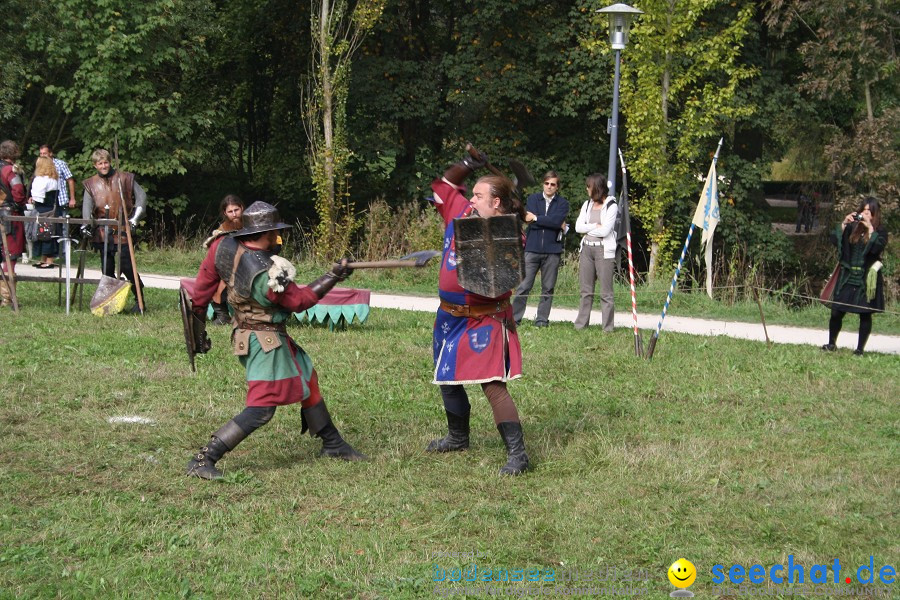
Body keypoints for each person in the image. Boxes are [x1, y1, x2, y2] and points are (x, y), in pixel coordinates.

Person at [185, 201, 365, 480]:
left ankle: (333, 444)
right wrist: (333, 275)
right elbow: (300, 301)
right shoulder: (268, 272)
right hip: (263, 341)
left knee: (307, 379)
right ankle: (203, 458)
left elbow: (202, 288)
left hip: (257, 333)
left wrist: (198, 321)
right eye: (275, 233)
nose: (278, 239)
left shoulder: (222, 246)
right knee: (261, 408)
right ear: (267, 233)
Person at [426, 151, 530, 475]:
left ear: (496, 203)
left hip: (484, 316)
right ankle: (458, 437)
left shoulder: (508, 235)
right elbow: (444, 185)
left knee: (492, 384)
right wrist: (469, 165)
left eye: (479, 195)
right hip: (449, 317)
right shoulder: (461, 211)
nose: (471, 198)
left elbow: (498, 279)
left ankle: (518, 455)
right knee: (447, 376)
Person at [81, 148, 147, 313]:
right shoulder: (90, 184)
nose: (103, 166)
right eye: (100, 163)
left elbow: (142, 197)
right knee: (107, 268)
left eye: (106, 162)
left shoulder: (124, 178)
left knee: (127, 266)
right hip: (102, 232)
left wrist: (135, 218)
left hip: (122, 228)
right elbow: (87, 208)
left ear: (110, 162)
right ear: (95, 165)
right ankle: (109, 304)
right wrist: (86, 224)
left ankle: (140, 302)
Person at [822, 197, 888, 356]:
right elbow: (835, 241)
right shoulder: (853, 228)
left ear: (874, 215)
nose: (865, 214)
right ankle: (832, 344)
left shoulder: (880, 231)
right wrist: (844, 224)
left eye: (869, 212)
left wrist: (870, 229)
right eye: (863, 210)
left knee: (865, 314)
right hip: (848, 275)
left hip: (865, 278)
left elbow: (877, 248)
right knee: (836, 311)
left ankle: (859, 350)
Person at [511, 171, 569, 327]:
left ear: (557, 187)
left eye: (553, 184)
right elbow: (528, 219)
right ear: (543, 184)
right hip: (532, 248)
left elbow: (556, 221)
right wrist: (549, 222)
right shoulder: (532, 199)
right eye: (547, 183)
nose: (549, 187)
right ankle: (514, 319)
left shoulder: (563, 203)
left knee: (548, 288)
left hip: (552, 251)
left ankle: (542, 320)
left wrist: (537, 218)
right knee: (523, 286)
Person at [573, 174, 618, 331]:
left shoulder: (612, 205)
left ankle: (607, 327)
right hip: (586, 248)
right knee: (586, 290)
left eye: (589, 186)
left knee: (606, 292)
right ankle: (581, 325)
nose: (587, 189)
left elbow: (606, 230)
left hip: (603, 250)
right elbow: (578, 227)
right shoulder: (587, 204)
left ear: (596, 188)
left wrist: (591, 226)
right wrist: (595, 225)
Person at [203, 194, 245, 324]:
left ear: (242, 208)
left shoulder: (252, 222)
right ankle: (222, 315)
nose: (234, 214)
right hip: (229, 266)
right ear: (225, 213)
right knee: (214, 279)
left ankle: (243, 316)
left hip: (249, 264)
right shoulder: (223, 229)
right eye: (230, 211)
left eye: (236, 210)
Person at [0, 140, 27, 308]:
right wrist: (22, 202)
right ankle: (7, 298)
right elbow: (17, 191)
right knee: (10, 256)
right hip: (9, 215)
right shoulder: (10, 169)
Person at [29, 156, 60, 268]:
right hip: (50, 209)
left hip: (44, 209)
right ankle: (44, 259)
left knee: (46, 234)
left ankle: (49, 260)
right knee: (46, 234)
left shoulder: (42, 180)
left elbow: (39, 197)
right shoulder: (53, 179)